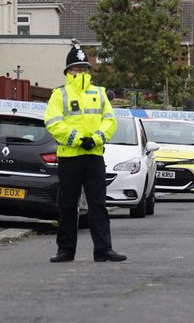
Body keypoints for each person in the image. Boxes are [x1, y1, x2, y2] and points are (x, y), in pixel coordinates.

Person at [44, 45, 126, 263]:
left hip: (94, 156)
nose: (80, 72)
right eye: (76, 68)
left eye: (83, 68)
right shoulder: (58, 94)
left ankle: (103, 250)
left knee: (98, 204)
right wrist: (79, 139)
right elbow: (53, 123)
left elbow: (110, 121)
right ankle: (65, 250)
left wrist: (96, 138)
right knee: (68, 205)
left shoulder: (99, 93)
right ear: (68, 71)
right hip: (70, 158)